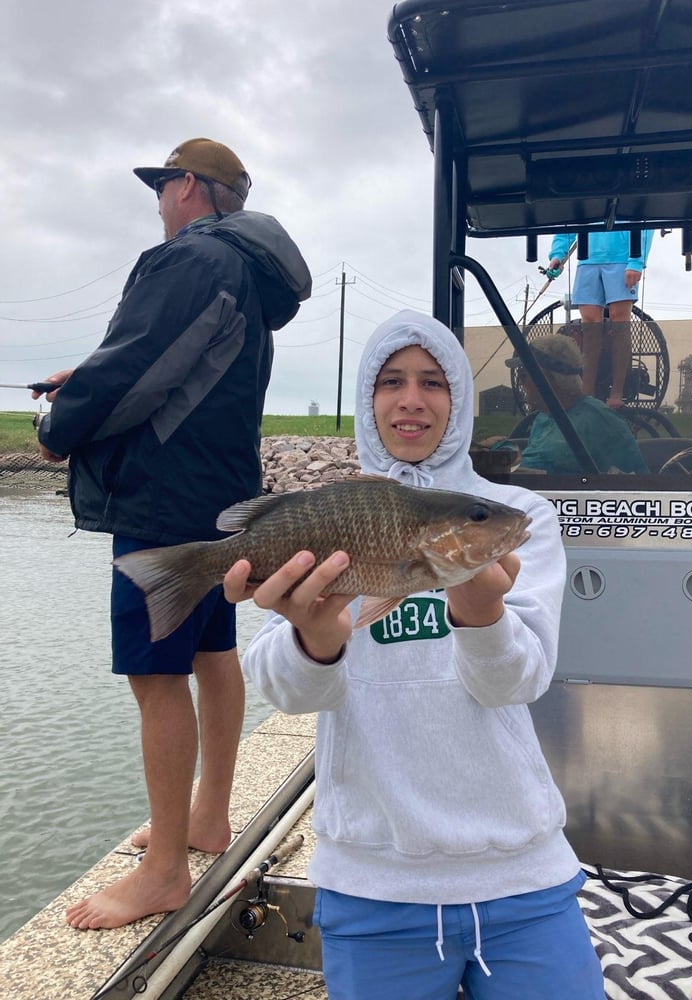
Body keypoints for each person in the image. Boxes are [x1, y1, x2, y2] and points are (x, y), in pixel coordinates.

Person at [222, 310, 605, 999]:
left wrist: (481, 610)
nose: (411, 399)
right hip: (374, 884)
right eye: (390, 381)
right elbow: (286, 692)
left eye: (434, 382)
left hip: (522, 875)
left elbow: (517, 682)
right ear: (369, 402)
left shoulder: (518, 517)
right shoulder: (334, 512)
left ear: (458, 399)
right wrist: (317, 637)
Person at [34, 137, 312, 930]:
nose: (159, 203)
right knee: (210, 653)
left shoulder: (191, 260)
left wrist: (60, 422)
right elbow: (174, 367)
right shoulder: (248, 279)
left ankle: (163, 874)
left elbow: (134, 369)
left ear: (189, 186)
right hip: (219, 498)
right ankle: (205, 817)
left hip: (160, 503)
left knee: (156, 677)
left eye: (162, 187)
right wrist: (78, 377)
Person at [504, 334, 648, 475]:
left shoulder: (592, 423)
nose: (520, 384)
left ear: (546, 379)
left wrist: (496, 450)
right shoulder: (545, 417)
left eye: (523, 375)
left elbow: (534, 473)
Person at [547, 228, 654, 408]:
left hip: (622, 258)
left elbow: (643, 222)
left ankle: (617, 393)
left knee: (620, 320)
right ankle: (587, 391)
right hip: (587, 259)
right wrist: (557, 255)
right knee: (589, 323)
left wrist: (636, 261)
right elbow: (571, 222)